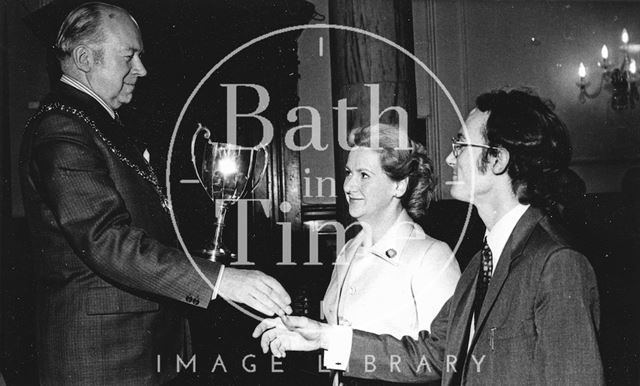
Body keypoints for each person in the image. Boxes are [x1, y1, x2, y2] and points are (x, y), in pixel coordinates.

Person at [254, 88, 604, 385]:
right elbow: (435, 353)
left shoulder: (556, 264)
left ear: (497, 160)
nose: (450, 157)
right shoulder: (481, 262)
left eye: (461, 145)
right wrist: (323, 337)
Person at [19, 3, 291, 385]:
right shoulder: (63, 129)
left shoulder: (95, 123)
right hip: (102, 360)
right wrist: (220, 280)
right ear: (84, 58)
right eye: (129, 56)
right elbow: (106, 241)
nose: (141, 69)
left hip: (134, 353)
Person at [322, 124, 460, 385]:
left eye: (364, 175)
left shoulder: (431, 255)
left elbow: (443, 360)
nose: (349, 186)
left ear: (399, 186)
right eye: (349, 173)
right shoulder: (348, 249)